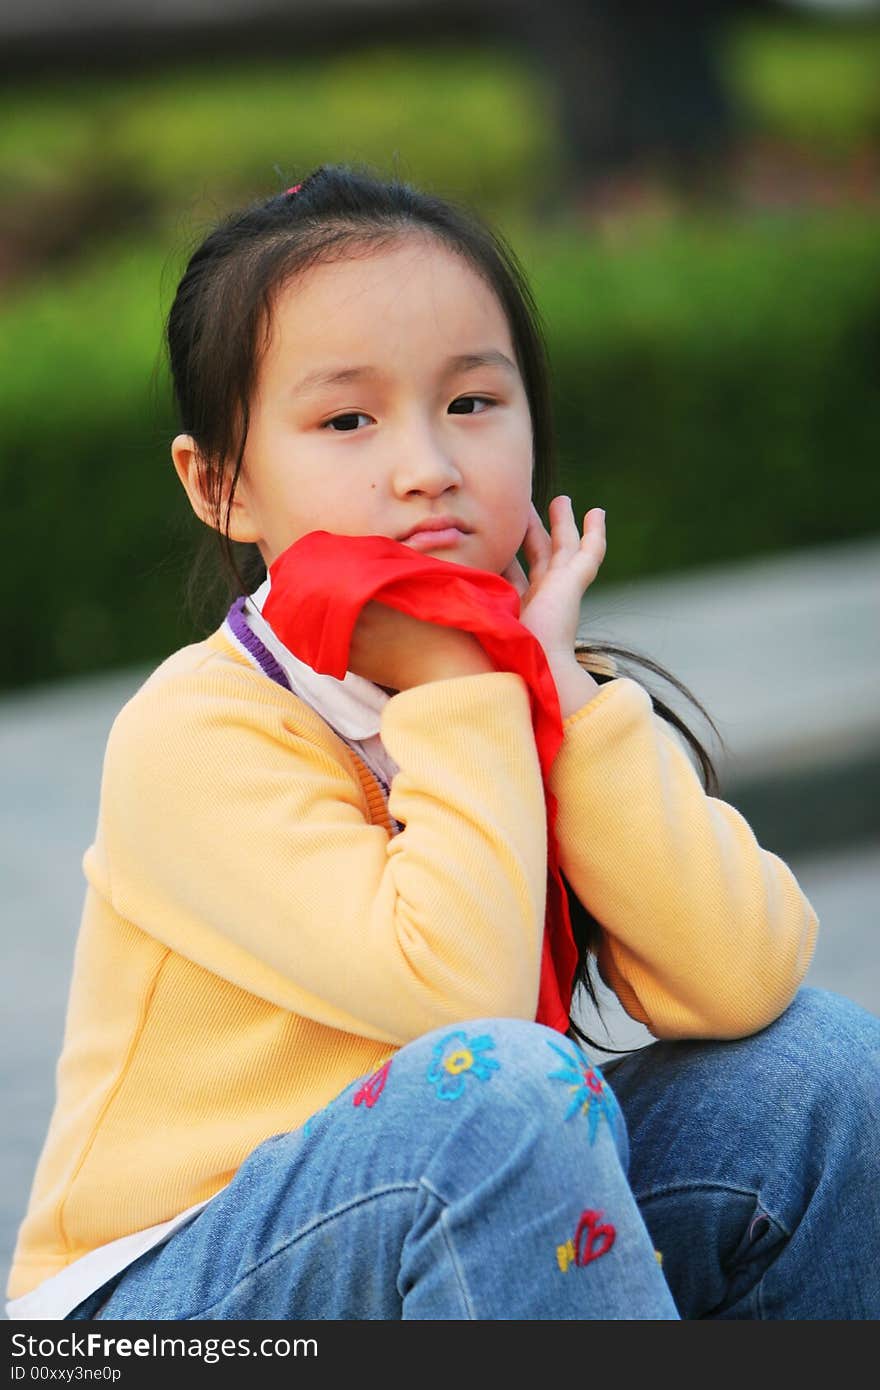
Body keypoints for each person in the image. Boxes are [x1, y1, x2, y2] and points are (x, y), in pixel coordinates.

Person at [7, 164, 878, 1322]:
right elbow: (456, 1005)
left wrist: (557, 691)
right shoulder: (198, 730)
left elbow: (744, 971)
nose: (429, 466)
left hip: (450, 1199)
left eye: (472, 403)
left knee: (819, 1072)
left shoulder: (521, 693)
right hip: (158, 1305)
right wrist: (465, 682)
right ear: (220, 484)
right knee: (502, 1091)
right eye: (347, 420)